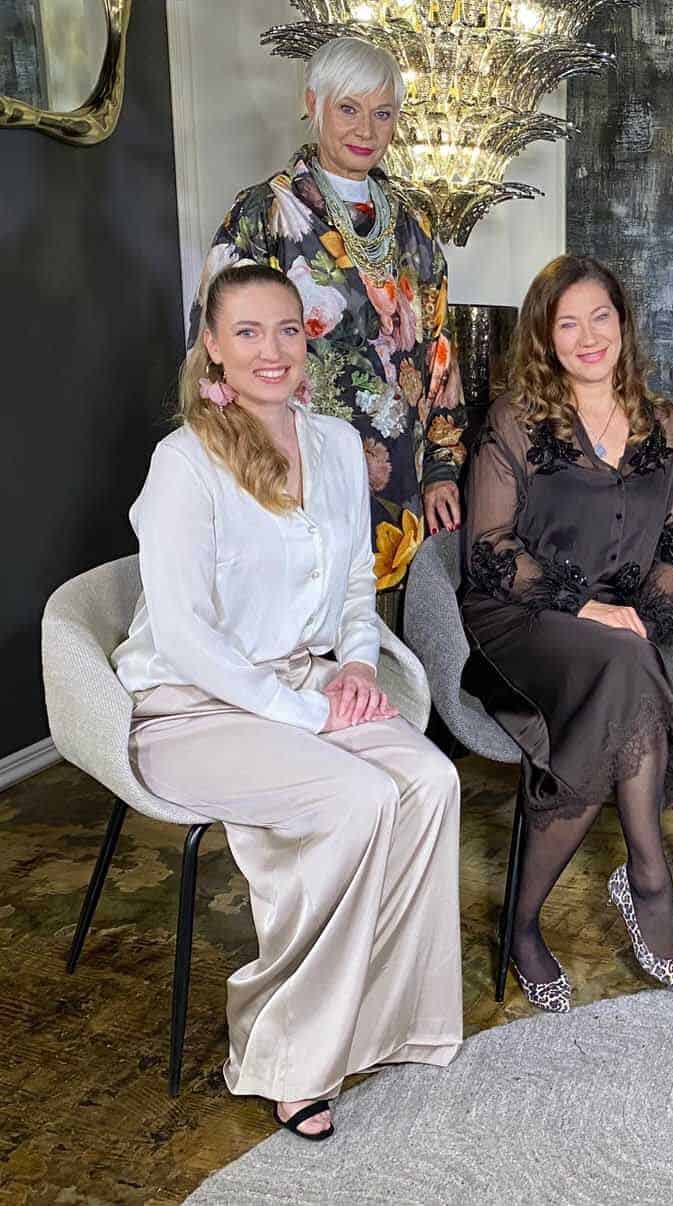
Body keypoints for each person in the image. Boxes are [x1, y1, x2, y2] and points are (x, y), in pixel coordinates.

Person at [114, 264, 463, 1141]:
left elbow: (353, 585)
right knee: (357, 796)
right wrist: (309, 715)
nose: (270, 350)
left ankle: (379, 1025)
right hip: (191, 705)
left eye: (285, 329)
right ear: (212, 347)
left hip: (307, 680)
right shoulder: (184, 463)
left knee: (429, 783)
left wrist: (357, 666)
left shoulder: (337, 444)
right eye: (246, 332)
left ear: (307, 338)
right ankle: (288, 1056)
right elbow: (185, 638)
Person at [460, 254, 673, 1010]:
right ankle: (648, 882)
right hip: (523, 617)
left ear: (623, 325)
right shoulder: (516, 420)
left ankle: (524, 920)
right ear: (545, 336)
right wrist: (585, 608)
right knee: (625, 667)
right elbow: (488, 551)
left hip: (621, 632)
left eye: (601, 317)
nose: (588, 337)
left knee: (623, 670)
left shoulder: (665, 425)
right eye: (568, 324)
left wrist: (644, 617)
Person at [189, 36, 465, 587]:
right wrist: (242, 466)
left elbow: (439, 350)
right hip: (288, 476)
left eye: (382, 113)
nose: (366, 129)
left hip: (400, 490)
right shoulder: (264, 213)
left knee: (382, 632)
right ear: (313, 105)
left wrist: (441, 465)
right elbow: (214, 351)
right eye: (348, 108)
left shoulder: (413, 224)